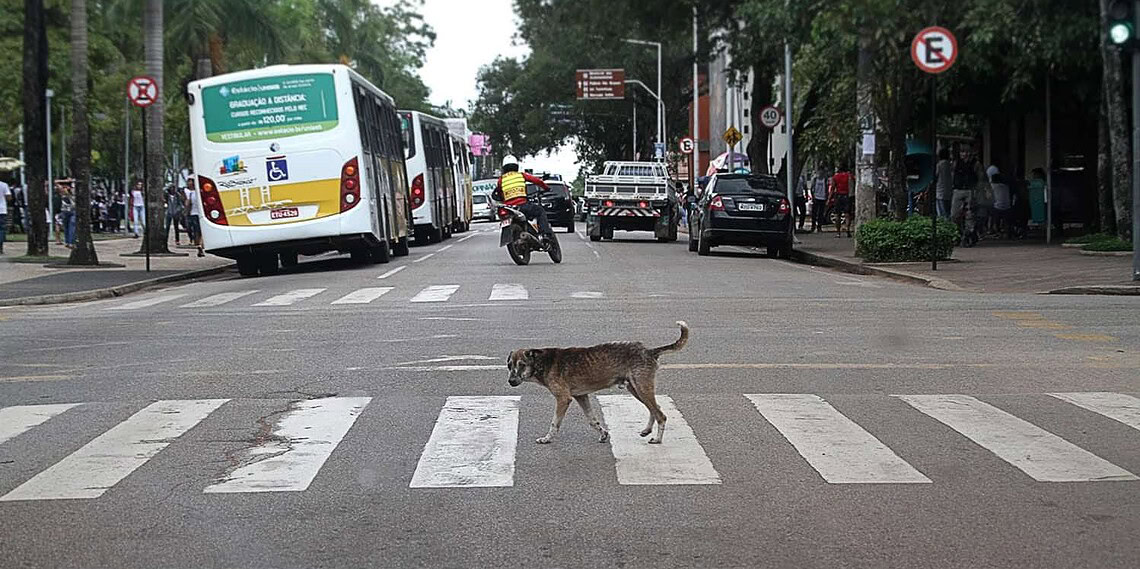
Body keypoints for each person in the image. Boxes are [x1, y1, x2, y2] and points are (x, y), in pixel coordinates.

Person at [491, 154, 554, 243]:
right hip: (522, 205)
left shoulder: (501, 180)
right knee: (540, 211)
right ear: (516, 166)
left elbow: (500, 193)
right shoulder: (521, 175)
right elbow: (537, 181)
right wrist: (546, 188)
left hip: (509, 207)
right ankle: (546, 234)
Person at [829, 165, 853, 238]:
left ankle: (838, 232)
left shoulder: (835, 177)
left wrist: (829, 198)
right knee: (847, 214)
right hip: (847, 196)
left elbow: (833, 188)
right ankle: (848, 229)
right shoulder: (849, 176)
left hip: (838, 196)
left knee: (837, 215)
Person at [185, 177, 204, 257]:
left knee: (198, 231)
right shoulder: (191, 193)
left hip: (197, 214)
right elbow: (187, 204)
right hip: (193, 214)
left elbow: (187, 204)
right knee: (197, 231)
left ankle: (199, 245)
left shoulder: (197, 192)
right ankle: (199, 245)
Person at [809, 167, 829, 232]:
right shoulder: (815, 179)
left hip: (822, 198)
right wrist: (813, 197)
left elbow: (826, 188)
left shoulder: (825, 179)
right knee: (814, 213)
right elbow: (812, 188)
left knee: (821, 213)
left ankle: (819, 227)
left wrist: (826, 196)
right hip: (816, 197)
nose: (821, 173)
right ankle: (813, 226)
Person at [935, 148, 952, 218]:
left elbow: (936, 176)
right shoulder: (950, 164)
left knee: (941, 212)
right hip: (949, 191)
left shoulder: (939, 165)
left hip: (940, 191)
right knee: (947, 211)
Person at [58, 182, 76, 248]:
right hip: (65, 211)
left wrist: (69, 192)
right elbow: (56, 183)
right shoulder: (62, 191)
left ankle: (71, 242)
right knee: (66, 227)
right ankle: (67, 241)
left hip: (73, 210)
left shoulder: (74, 191)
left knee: (72, 226)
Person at [0, 177, 11, 254]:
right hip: (2, 210)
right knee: (1, 229)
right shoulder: (4, 185)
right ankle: (0, 247)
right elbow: (9, 197)